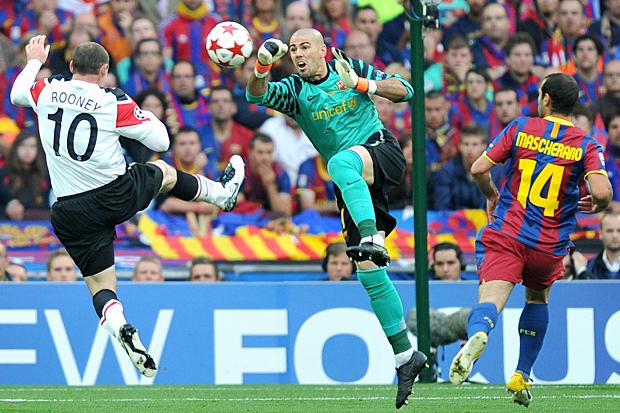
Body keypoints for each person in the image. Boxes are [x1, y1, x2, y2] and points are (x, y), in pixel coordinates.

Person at [10, 36, 245, 379]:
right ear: (105, 71)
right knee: (162, 172)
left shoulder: (46, 90)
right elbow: (162, 142)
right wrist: (136, 111)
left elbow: (18, 93)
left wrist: (33, 60)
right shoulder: (111, 101)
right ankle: (222, 195)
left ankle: (119, 326)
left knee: (99, 283)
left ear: (72, 66)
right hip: (112, 195)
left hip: (67, 211)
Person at [246, 28, 427, 408]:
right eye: (293, 48)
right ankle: (405, 356)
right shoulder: (295, 90)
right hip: (352, 185)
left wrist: (362, 84)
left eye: (305, 46)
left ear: (323, 50)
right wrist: (263, 63)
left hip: (379, 152)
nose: (297, 53)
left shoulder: (351, 66)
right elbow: (255, 94)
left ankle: (372, 236)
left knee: (340, 161)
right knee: (368, 272)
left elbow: (405, 91)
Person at [449, 73, 612, 406]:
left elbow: (479, 168)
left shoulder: (522, 127)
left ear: (547, 98)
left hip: (510, 231)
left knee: (492, 296)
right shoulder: (586, 144)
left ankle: (480, 331)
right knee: (537, 298)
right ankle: (522, 374)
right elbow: (601, 192)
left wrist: (491, 195)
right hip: (549, 245)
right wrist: (599, 203)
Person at [586, 212, 620, 279]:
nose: (615, 235)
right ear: (601, 234)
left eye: (619, 231)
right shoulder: (589, 267)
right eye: (609, 231)